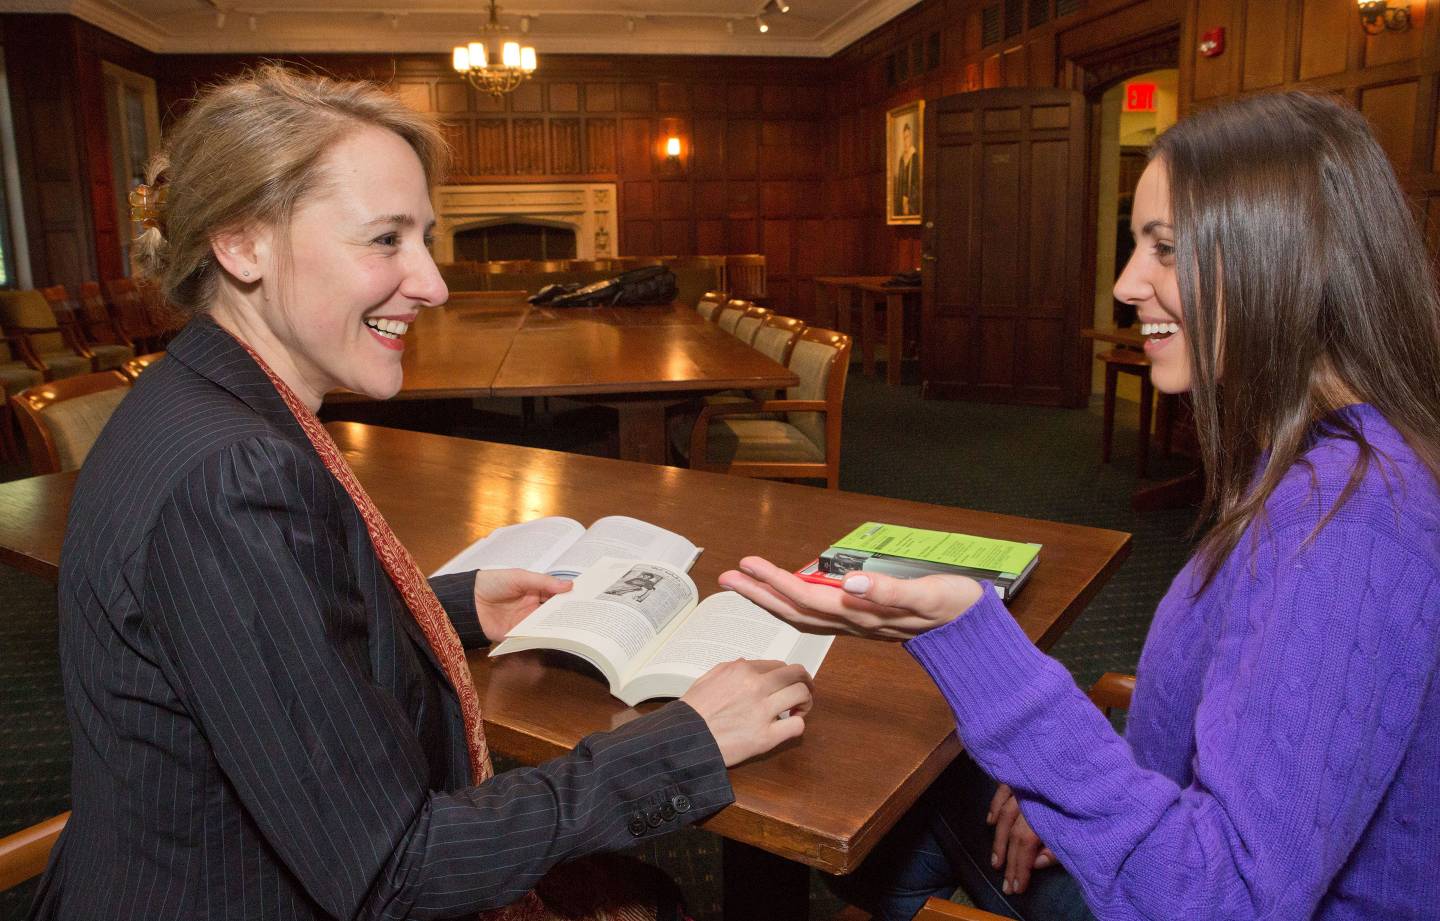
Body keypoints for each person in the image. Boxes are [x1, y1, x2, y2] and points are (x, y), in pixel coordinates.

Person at [33, 65, 813, 921]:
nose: (434, 283)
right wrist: (686, 742)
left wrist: (446, 605)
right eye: (385, 240)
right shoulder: (237, 477)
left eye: (428, 237)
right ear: (242, 242)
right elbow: (393, 870)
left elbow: (256, 641)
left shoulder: (190, 397)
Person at [721, 91, 1440, 920]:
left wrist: (974, 641)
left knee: (870, 805)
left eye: (1165, 249)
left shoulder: (1346, 524)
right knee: (907, 805)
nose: (1128, 282)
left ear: (1280, 261)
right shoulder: (1330, 464)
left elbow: (1224, 898)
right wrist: (1071, 783)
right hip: (1180, 834)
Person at [894, 121, 921, 217]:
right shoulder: (902, 159)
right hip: (902, 200)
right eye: (904, 138)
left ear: (911, 137)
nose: (906, 140)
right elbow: (900, 184)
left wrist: (908, 199)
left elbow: (916, 182)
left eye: (908, 137)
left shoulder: (914, 156)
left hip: (911, 200)